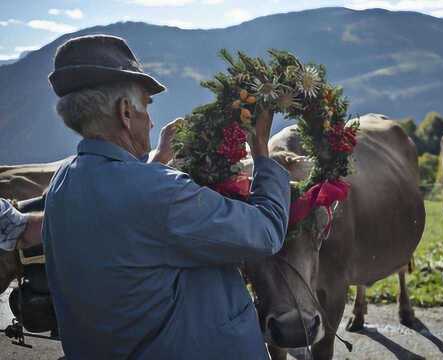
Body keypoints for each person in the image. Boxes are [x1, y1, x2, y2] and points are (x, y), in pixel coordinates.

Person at [44, 34, 290, 359]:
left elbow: (124, 220)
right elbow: (266, 232)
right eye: (146, 106)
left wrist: (156, 160)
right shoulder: (158, 192)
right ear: (125, 112)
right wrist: (261, 150)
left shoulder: (63, 182)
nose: (152, 119)